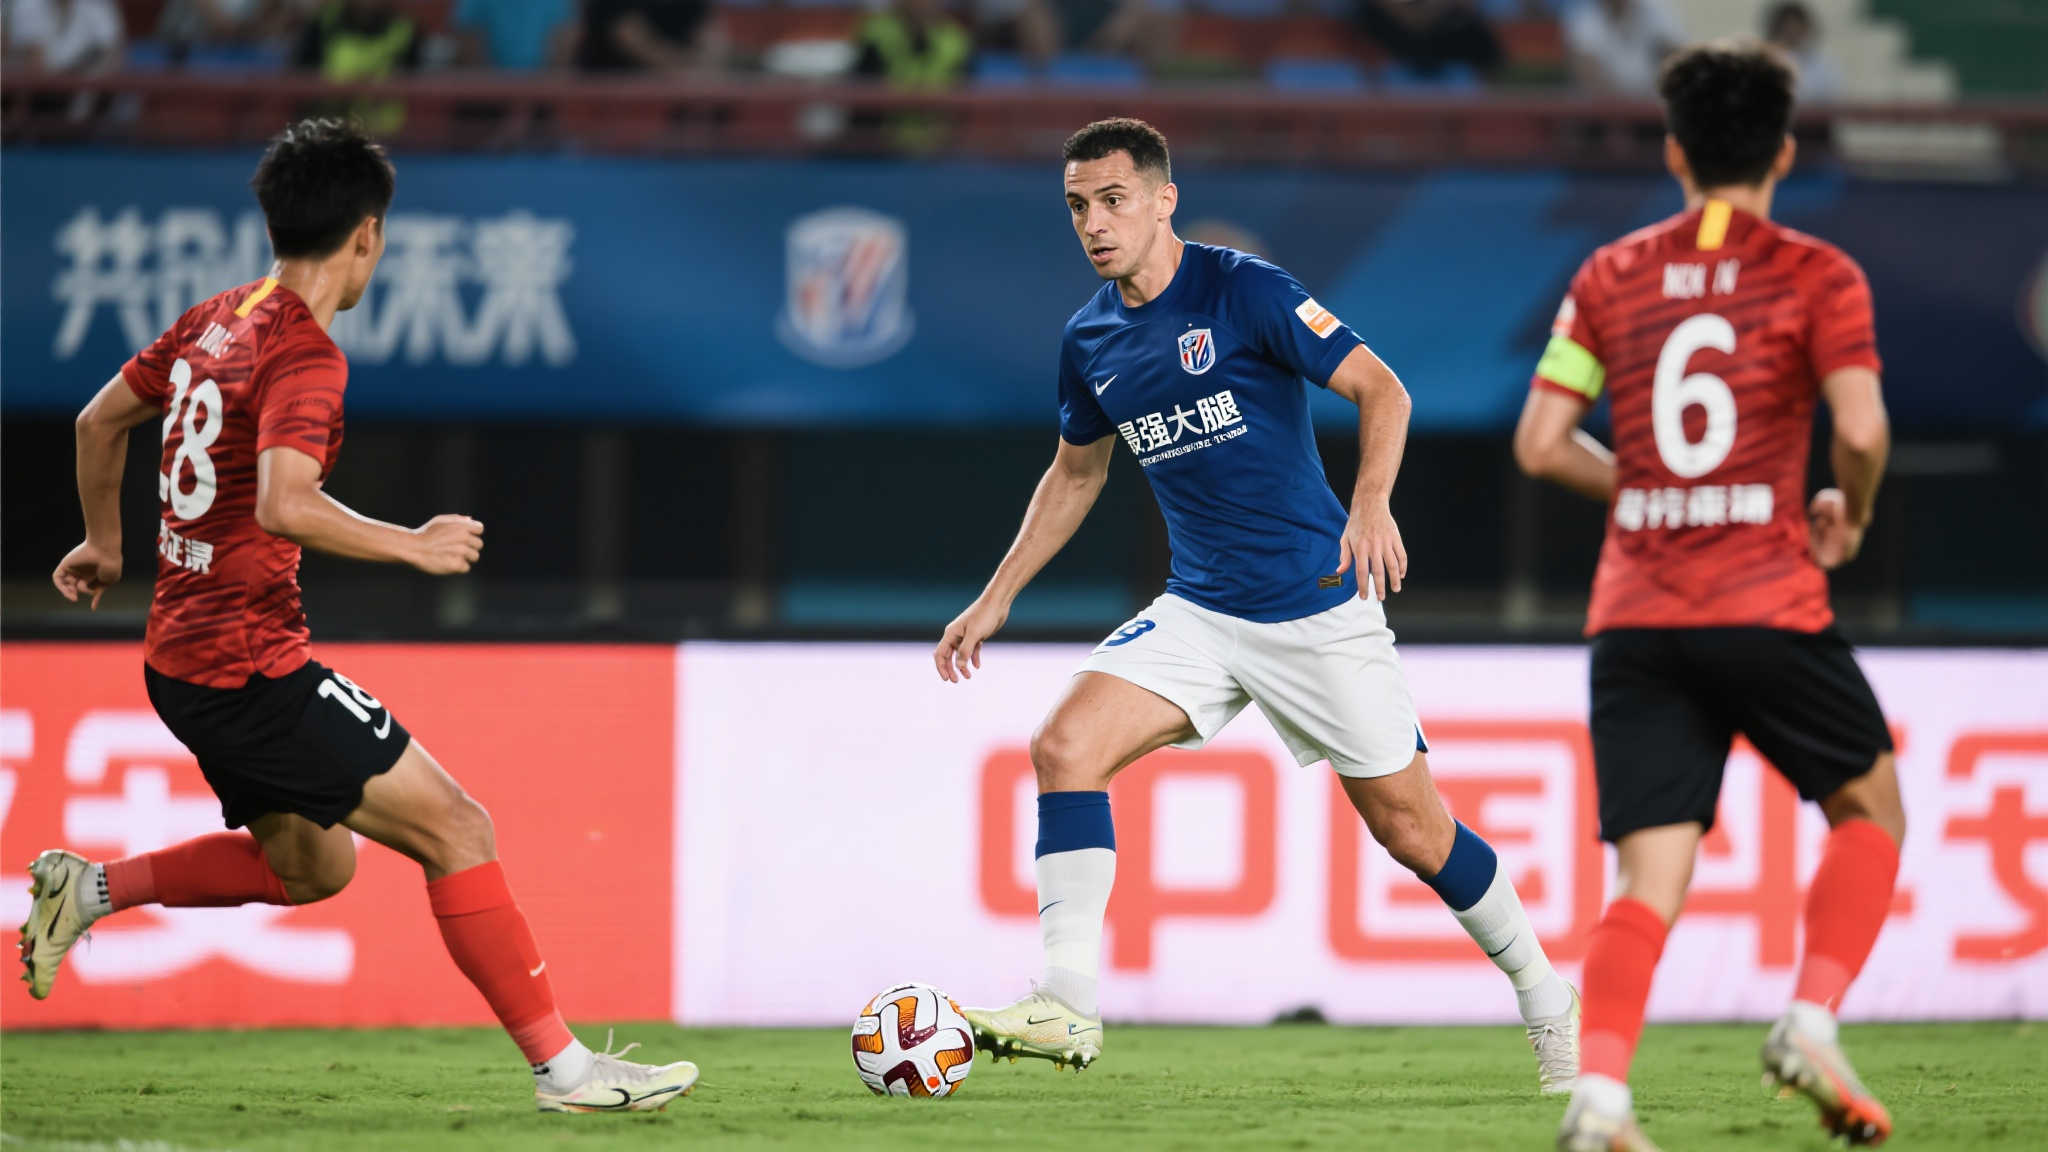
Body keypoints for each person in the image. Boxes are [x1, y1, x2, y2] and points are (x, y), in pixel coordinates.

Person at [24, 118, 698, 1115]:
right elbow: (284, 503)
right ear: (368, 235)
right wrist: (411, 543)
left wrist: (104, 542)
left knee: (312, 870)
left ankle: (88, 891)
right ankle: (567, 1072)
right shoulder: (305, 355)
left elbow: (98, 420)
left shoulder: (214, 318)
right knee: (459, 828)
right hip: (252, 668)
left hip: (180, 661)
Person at [934, 117, 1580, 1093]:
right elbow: (1075, 474)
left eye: (1112, 200)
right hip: (1199, 610)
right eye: (1077, 206)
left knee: (1413, 831)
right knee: (1063, 746)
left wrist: (1369, 504)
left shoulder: (1244, 290)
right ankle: (1066, 1003)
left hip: (1313, 607)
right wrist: (995, 597)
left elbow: (1384, 391)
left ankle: (1545, 995)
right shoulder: (1089, 338)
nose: (1094, 224)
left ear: (1163, 200)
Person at [1514, 40, 1902, 1152]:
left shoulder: (1609, 274)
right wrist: (1850, 511)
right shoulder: (1818, 274)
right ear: (1782, 152)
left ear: (1675, 154)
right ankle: (1809, 1020)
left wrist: (1647, 487)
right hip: (1766, 602)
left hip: (1635, 618)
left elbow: (1540, 442)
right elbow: (1861, 428)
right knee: (1870, 812)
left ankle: (1599, 1099)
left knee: (1646, 881)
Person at [577, 0, 727, 74]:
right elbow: (629, 37)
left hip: (671, 93)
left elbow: (710, 36)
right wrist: (682, 70)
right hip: (607, 87)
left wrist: (707, 69)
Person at [1565, 0, 1680, 96]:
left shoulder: (1656, 10)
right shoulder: (1583, 20)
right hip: (1608, 109)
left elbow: (1676, 56)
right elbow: (1590, 76)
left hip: (1653, 104)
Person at [1763, 1, 1837, 104]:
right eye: (1787, 27)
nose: (1793, 32)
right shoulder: (1766, 63)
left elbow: (1835, 96)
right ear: (1776, 29)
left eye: (1797, 27)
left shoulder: (1822, 63)